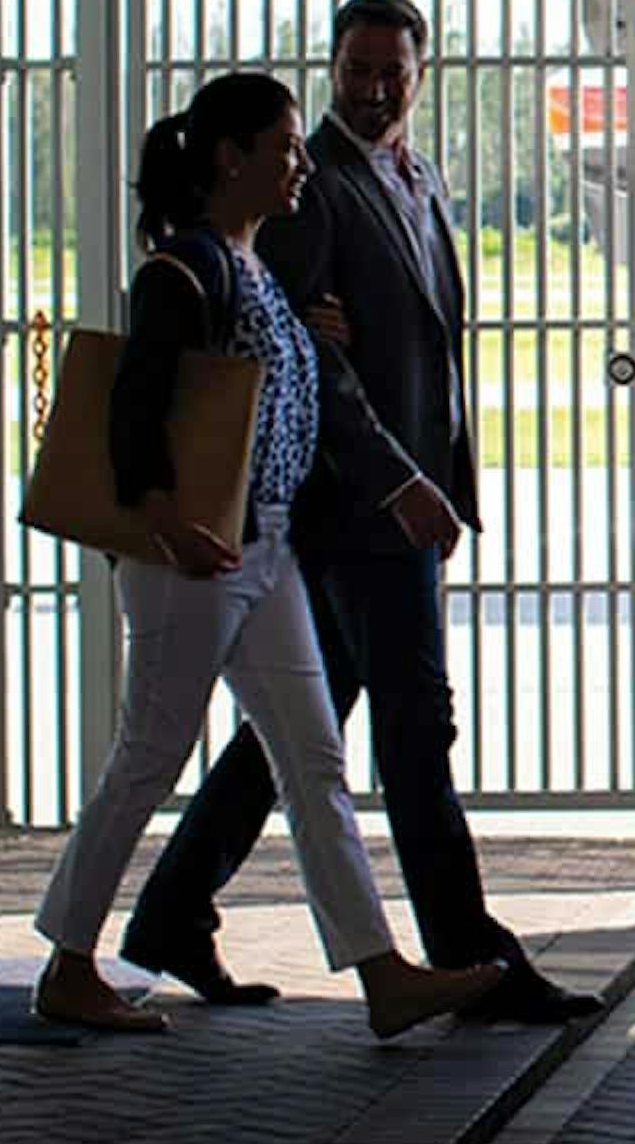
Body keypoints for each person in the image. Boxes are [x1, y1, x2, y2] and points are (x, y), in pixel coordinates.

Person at [121, 0, 597, 1023]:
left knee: (297, 733)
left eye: (392, 69)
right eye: (356, 67)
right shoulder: (312, 186)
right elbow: (311, 365)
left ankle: (171, 909)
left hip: (406, 495)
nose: (373, 87)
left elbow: (425, 346)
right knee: (415, 724)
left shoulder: (415, 179)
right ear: (332, 66)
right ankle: (470, 954)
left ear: (422, 74)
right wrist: (399, 481)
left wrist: (445, 477)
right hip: (356, 504)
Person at [31, 71, 506, 1037]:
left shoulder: (256, 267)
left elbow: (306, 393)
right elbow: (137, 405)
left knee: (315, 761)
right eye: (285, 147)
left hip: (268, 546)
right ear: (228, 157)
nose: (301, 164)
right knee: (148, 756)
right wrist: (163, 516)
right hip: (196, 557)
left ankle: (381, 975)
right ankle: (68, 960)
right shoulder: (184, 270)